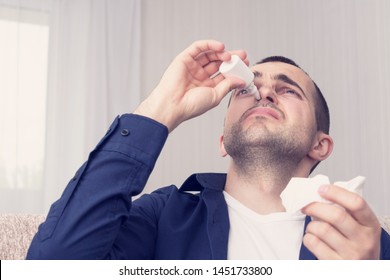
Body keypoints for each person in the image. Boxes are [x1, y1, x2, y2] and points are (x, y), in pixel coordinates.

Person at [27, 40, 390, 260]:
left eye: (288, 90)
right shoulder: (163, 215)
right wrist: (161, 107)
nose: (263, 93)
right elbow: (54, 263)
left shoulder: (360, 236)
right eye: (246, 89)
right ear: (223, 142)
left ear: (320, 144)